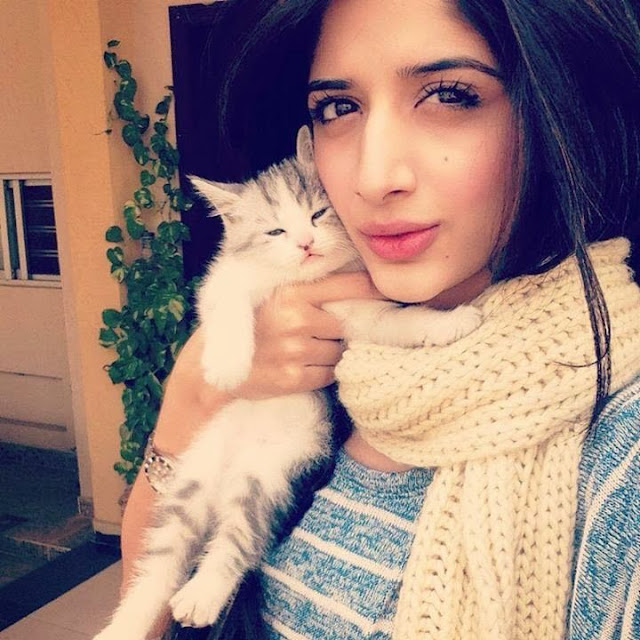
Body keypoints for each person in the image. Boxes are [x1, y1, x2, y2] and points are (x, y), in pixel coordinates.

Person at [120, 0, 640, 638]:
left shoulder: (619, 457)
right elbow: (154, 625)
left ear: (564, 110)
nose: (372, 178)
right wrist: (194, 393)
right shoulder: (327, 361)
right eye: (338, 108)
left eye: (449, 95)